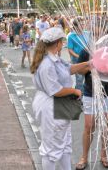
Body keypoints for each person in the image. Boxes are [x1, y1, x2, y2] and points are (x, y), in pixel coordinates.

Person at [31, 27, 89, 170]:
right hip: (51, 106)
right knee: (51, 148)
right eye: (62, 42)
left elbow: (69, 68)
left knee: (65, 143)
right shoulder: (47, 64)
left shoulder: (54, 59)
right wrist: (75, 91)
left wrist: (88, 64)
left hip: (59, 104)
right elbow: (55, 90)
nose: (63, 44)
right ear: (57, 44)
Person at [76, 26, 108, 169]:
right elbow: (78, 70)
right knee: (89, 125)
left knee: (106, 125)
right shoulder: (86, 51)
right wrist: (90, 65)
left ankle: (104, 155)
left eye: (105, 33)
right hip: (90, 93)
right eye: (97, 33)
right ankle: (84, 157)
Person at [67, 19, 88, 92]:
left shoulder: (87, 33)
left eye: (83, 23)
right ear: (75, 26)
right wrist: (78, 56)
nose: (83, 25)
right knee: (79, 78)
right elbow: (70, 49)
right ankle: (79, 94)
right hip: (77, 59)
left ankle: (84, 92)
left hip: (88, 59)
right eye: (81, 24)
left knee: (88, 76)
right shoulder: (71, 36)